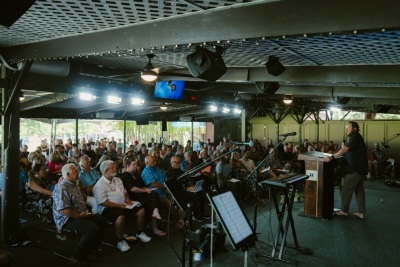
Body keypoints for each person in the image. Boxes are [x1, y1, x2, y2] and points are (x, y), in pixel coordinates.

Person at [53, 163, 108, 267]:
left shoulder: (74, 184)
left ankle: (91, 249)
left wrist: (80, 189)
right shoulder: (62, 187)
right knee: (92, 228)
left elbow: (85, 199)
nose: (77, 173)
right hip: (67, 219)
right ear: (68, 174)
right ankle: (76, 257)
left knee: (101, 221)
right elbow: (64, 210)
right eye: (75, 171)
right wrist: (78, 216)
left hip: (81, 214)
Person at [93, 160, 151, 252]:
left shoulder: (117, 179)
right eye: (112, 167)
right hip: (108, 208)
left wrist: (127, 198)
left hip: (123, 204)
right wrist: (119, 206)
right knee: (120, 216)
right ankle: (120, 240)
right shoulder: (99, 185)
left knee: (141, 209)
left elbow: (125, 192)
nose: (115, 168)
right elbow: (103, 203)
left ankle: (139, 232)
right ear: (105, 171)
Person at [324, 121, 368, 219]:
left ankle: (344, 211)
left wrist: (332, 157)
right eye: (346, 128)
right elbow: (348, 151)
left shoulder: (355, 137)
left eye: (348, 128)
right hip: (360, 169)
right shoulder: (355, 138)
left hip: (355, 169)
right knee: (359, 190)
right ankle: (361, 213)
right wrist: (344, 148)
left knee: (345, 190)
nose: (346, 130)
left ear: (355, 128)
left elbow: (345, 150)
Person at [119, 157, 166, 236]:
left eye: (136, 165)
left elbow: (142, 185)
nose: (136, 166)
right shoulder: (124, 176)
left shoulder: (136, 174)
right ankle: (155, 225)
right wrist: (145, 190)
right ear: (127, 166)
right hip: (133, 196)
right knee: (152, 201)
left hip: (140, 194)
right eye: (133, 165)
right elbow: (132, 189)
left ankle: (155, 213)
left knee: (154, 194)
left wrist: (147, 189)